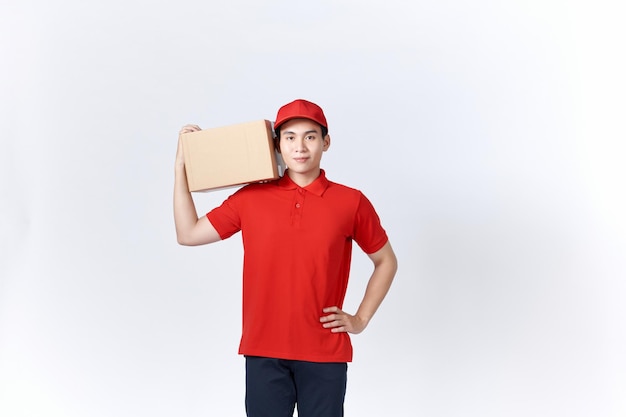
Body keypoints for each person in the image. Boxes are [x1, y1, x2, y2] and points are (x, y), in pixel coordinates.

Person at [173, 99, 397, 417]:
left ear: (326, 142)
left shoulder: (351, 202)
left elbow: (386, 261)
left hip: (324, 352)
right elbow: (189, 233)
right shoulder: (250, 198)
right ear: (277, 144)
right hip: (263, 350)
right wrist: (181, 167)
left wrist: (360, 319)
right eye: (290, 137)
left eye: (310, 136)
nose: (300, 146)